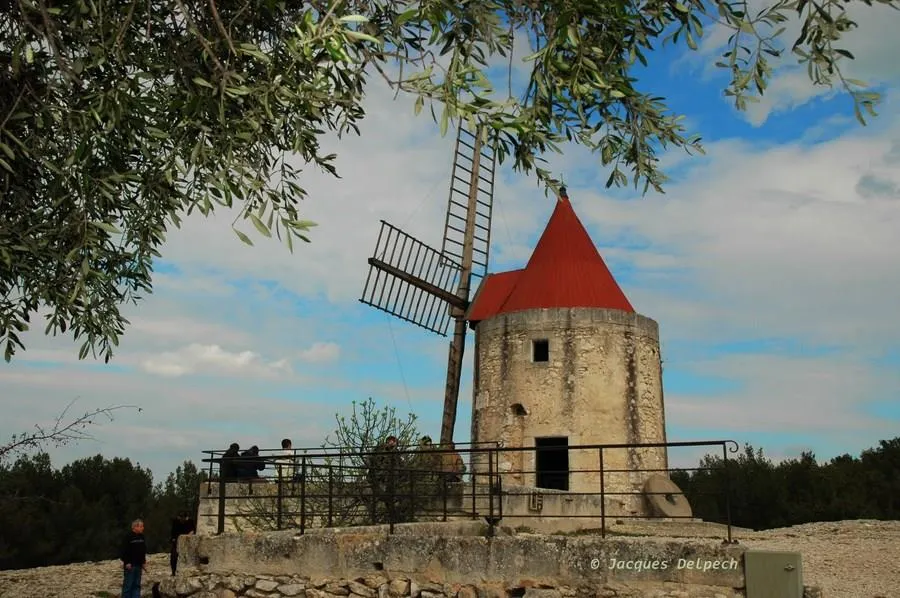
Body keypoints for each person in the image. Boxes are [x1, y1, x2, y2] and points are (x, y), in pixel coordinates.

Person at [120, 518, 147, 598]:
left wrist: (143, 562)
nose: (143, 528)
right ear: (135, 527)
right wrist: (127, 562)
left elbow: (143, 550)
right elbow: (123, 551)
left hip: (139, 565)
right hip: (130, 565)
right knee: (128, 586)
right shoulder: (128, 537)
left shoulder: (142, 537)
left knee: (137, 585)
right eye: (141, 526)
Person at [169, 510, 195, 576]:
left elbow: (193, 531)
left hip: (187, 542)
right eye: (180, 518)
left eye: (183, 518)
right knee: (174, 556)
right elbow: (173, 534)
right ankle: (173, 571)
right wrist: (174, 540)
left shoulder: (190, 522)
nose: (182, 520)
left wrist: (189, 535)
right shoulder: (176, 522)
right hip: (177, 541)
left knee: (189, 557)